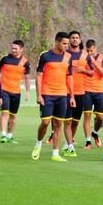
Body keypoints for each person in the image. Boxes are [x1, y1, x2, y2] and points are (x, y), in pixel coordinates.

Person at [31, 32, 74, 162]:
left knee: (58, 125)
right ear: (57, 42)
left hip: (62, 95)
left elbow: (69, 77)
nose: (67, 46)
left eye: (68, 43)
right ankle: (38, 143)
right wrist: (39, 95)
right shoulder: (45, 56)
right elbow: (38, 76)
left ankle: (55, 153)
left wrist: (71, 96)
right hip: (47, 94)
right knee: (45, 122)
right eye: (64, 43)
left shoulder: (68, 57)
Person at [62, 31, 93, 157]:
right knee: (67, 121)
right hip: (66, 92)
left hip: (81, 92)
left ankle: (67, 144)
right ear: (69, 40)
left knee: (75, 121)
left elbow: (92, 72)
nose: (75, 40)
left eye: (77, 38)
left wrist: (83, 70)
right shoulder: (63, 55)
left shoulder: (86, 56)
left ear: (80, 40)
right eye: (72, 38)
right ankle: (70, 146)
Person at [0, 40, 31, 144]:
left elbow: (27, 78)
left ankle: (10, 136)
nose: (13, 50)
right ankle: (3, 135)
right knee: (4, 112)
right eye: (12, 48)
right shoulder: (5, 60)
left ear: (21, 49)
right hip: (4, 90)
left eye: (16, 48)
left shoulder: (25, 62)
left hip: (16, 92)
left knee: (13, 116)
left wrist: (27, 91)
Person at [84, 39, 103, 148]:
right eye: (88, 51)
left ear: (95, 49)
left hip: (98, 91)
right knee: (87, 116)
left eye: (91, 51)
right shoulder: (83, 58)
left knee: (100, 118)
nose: (89, 53)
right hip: (86, 90)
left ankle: (95, 132)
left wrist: (94, 62)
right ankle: (88, 141)